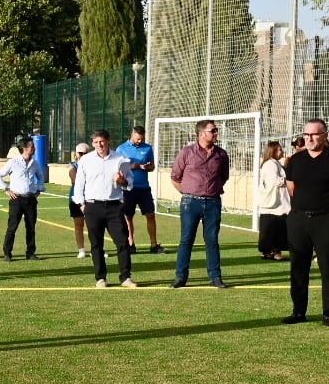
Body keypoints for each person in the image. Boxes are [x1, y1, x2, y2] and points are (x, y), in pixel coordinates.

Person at [283, 118, 329, 325]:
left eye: (314, 134)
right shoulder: (295, 161)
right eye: (306, 134)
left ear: (325, 135)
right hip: (298, 219)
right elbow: (292, 188)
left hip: (326, 220)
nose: (309, 138)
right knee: (298, 267)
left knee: (328, 267)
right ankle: (298, 312)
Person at [168, 119, 232, 289]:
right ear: (202, 133)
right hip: (190, 203)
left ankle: (215, 277)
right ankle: (180, 277)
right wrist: (188, 192)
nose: (216, 133)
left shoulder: (221, 154)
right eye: (213, 130)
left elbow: (223, 177)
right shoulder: (187, 152)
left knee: (212, 240)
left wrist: (209, 190)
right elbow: (175, 177)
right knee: (186, 239)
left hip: (213, 203)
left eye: (216, 130)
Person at [71, 130, 137, 288]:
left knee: (122, 242)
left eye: (101, 141)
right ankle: (101, 278)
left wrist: (122, 180)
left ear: (108, 141)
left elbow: (129, 184)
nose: (99, 145)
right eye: (95, 142)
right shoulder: (86, 160)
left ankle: (125, 277)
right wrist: (82, 204)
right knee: (96, 244)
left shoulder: (120, 159)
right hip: (93, 206)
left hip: (114, 206)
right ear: (92, 143)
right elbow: (79, 184)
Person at [116, 125, 164, 254]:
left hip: (144, 188)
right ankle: (131, 244)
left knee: (150, 215)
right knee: (128, 217)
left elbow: (152, 165)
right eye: (138, 139)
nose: (140, 141)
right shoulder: (121, 149)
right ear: (132, 135)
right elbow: (117, 168)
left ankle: (154, 245)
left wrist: (148, 167)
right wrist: (133, 166)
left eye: (142, 139)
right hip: (128, 188)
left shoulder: (147, 148)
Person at [0, 135, 44, 261]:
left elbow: (41, 177)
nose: (34, 148)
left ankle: (30, 252)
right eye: (32, 146)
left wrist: (39, 189)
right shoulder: (13, 162)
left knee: (31, 227)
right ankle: (7, 253)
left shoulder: (35, 163)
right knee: (12, 227)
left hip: (30, 199)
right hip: (16, 199)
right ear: (24, 148)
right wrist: (6, 189)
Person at [257, 142, 290, 260]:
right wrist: (289, 179)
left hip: (278, 203)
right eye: (280, 149)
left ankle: (274, 251)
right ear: (273, 151)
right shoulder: (270, 164)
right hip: (275, 203)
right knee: (273, 228)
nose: (282, 151)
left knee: (275, 228)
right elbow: (274, 181)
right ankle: (272, 252)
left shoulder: (276, 163)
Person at [67, 144, 88, 258]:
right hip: (76, 198)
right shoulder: (73, 167)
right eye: (80, 153)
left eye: (85, 153)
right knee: (79, 224)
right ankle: (81, 250)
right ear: (76, 154)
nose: (83, 155)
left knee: (95, 225)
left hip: (91, 198)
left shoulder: (93, 165)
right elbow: (76, 180)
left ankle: (99, 249)